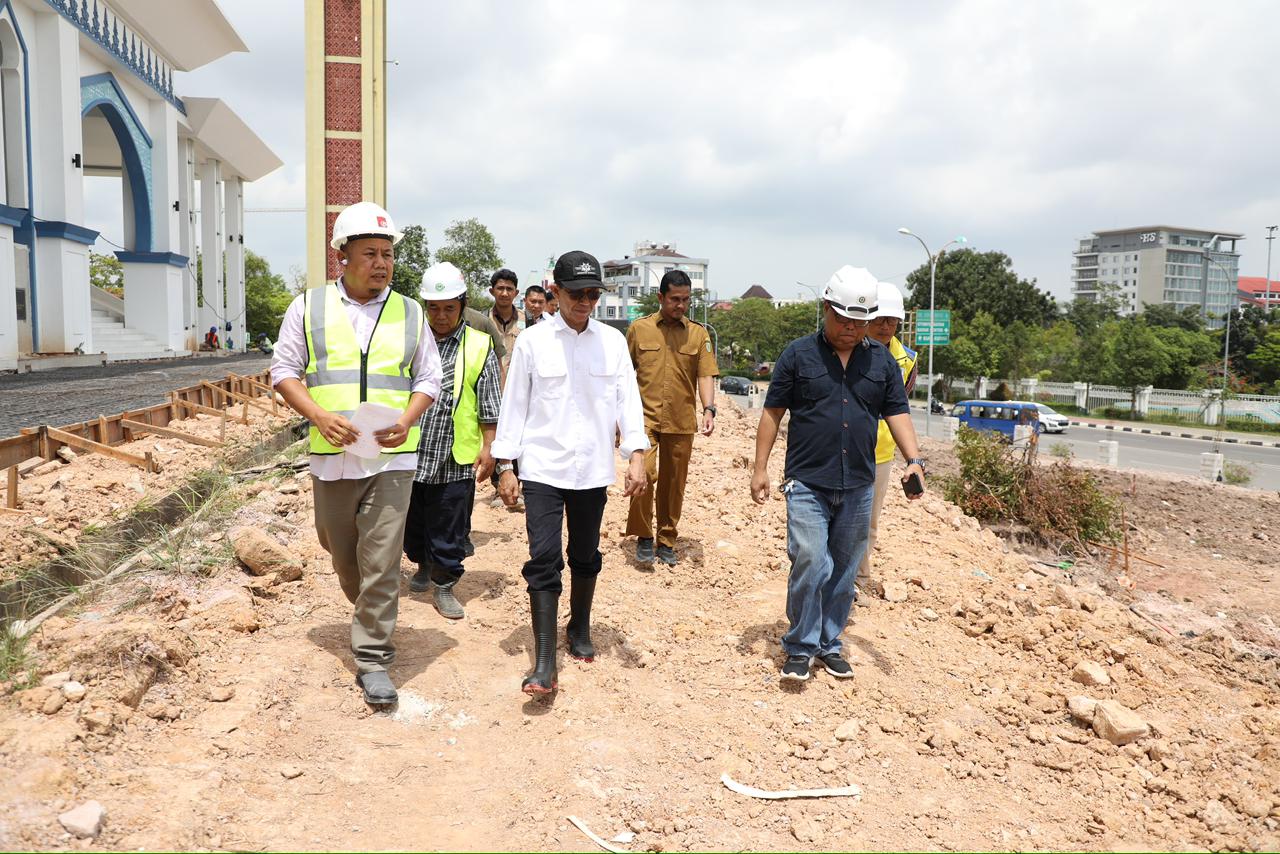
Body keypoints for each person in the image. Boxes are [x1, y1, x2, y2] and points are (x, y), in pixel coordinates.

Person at [271, 201, 441, 706]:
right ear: (342, 256)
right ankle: (368, 606)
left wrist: (406, 420)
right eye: (371, 253)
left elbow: (429, 377)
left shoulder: (410, 312)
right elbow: (283, 371)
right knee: (341, 552)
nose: (382, 263)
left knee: (382, 558)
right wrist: (318, 415)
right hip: (332, 455)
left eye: (388, 254)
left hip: (392, 458)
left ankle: (373, 657)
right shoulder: (308, 307)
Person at [750, 265, 925, 683]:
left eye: (860, 323)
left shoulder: (881, 361)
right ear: (826, 308)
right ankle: (800, 646)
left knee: (845, 571)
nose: (852, 329)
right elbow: (773, 412)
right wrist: (760, 468)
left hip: (859, 483)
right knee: (811, 558)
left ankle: (829, 644)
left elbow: (897, 412)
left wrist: (914, 460)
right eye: (844, 320)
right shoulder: (798, 355)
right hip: (807, 480)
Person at [492, 250, 648, 695]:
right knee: (543, 558)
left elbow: (628, 401)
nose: (586, 302)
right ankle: (544, 661)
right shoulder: (533, 342)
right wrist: (506, 465)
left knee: (584, 553)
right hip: (543, 467)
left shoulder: (611, 342)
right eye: (577, 293)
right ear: (556, 292)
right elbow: (514, 406)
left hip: (592, 468)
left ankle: (579, 625)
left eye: (594, 294)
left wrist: (636, 453)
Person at [403, 262, 501, 620]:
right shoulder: (411, 341)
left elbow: (490, 403)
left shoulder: (478, 345)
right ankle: (422, 563)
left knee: (450, 524)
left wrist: (489, 448)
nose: (441, 316)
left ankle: (444, 584)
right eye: (434, 308)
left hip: (454, 455)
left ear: (463, 305)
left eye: (449, 308)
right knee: (412, 521)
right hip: (411, 450)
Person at [624, 269, 718, 565]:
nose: (681, 305)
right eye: (675, 299)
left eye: (686, 300)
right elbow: (623, 375)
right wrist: (617, 418)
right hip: (644, 419)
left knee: (674, 483)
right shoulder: (639, 329)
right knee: (645, 474)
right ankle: (643, 536)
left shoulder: (698, 334)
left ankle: (666, 539)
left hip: (681, 419)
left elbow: (705, 374)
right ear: (661, 297)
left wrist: (709, 408)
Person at [858, 281, 918, 595]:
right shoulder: (849, 349)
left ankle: (859, 579)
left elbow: (900, 409)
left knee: (869, 521)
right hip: (846, 447)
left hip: (881, 452)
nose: (885, 327)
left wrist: (913, 459)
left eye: (892, 321)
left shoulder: (906, 359)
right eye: (880, 319)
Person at [487, 268, 525, 370]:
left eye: (509, 289)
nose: (504, 293)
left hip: (518, 378)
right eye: (500, 288)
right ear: (492, 291)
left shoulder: (528, 320)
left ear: (516, 293)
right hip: (491, 378)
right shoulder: (483, 320)